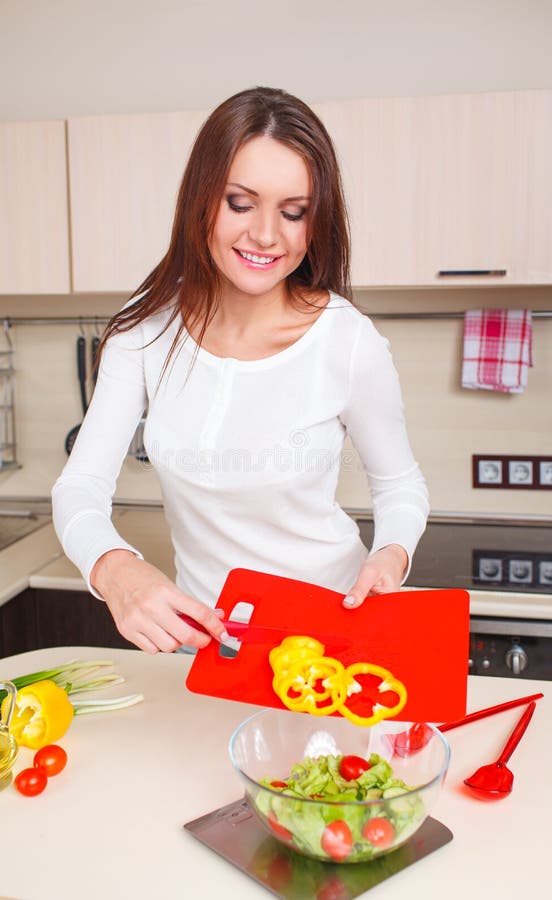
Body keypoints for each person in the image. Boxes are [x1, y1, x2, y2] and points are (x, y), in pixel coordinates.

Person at [51, 86, 429, 655]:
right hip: (208, 648)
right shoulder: (144, 333)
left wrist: (392, 553)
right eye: (240, 203)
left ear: (314, 221)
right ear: (201, 200)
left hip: (333, 638)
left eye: (293, 211)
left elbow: (399, 484)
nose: (266, 235)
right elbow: (79, 489)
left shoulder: (348, 341)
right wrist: (115, 570)